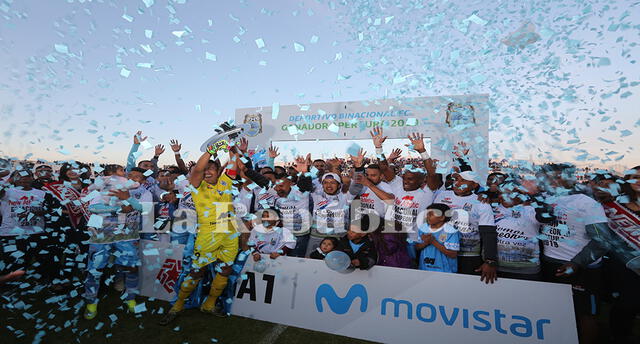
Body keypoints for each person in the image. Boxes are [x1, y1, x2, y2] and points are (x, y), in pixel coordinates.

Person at [160, 137, 241, 325]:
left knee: (225, 269)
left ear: (218, 171)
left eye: (211, 168)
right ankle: (178, 305)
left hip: (229, 232)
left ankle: (209, 304)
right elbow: (197, 169)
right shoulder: (196, 186)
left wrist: (230, 144)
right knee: (197, 272)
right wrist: (211, 151)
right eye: (205, 169)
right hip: (208, 233)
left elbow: (234, 161)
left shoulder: (226, 181)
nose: (206, 172)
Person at [539, 163, 611, 344]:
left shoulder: (586, 203)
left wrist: (576, 263)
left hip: (580, 268)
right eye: (547, 177)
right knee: (554, 313)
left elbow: (602, 241)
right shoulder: (546, 198)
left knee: (585, 314)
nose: (551, 181)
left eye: (557, 177)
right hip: (550, 264)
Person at [83, 166, 150, 319]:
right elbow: (93, 207)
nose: (131, 178)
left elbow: (142, 209)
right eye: (129, 174)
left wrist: (128, 198)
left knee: (131, 268)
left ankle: (130, 299)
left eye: (137, 177)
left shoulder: (141, 192)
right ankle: (91, 302)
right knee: (95, 269)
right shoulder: (103, 188)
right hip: (101, 236)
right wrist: (118, 208)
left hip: (127, 236)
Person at [433, 170, 498, 283]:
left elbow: (488, 233)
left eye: (463, 180)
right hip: (440, 251)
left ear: (474, 184)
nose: (457, 183)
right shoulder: (441, 195)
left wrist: (490, 261)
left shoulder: (481, 203)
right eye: (456, 179)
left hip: (468, 256)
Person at [493, 180, 554, 281]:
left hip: (527, 270)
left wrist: (534, 193)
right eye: (500, 193)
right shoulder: (492, 209)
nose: (502, 196)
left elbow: (547, 217)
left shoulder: (531, 210)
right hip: (495, 269)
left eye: (509, 193)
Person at [0, 169, 48, 282]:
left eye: (27, 176)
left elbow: (49, 210)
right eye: (20, 176)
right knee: (12, 261)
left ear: (32, 178)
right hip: (11, 233)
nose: (24, 178)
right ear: (13, 178)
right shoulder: (7, 192)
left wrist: (38, 211)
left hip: (35, 232)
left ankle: (32, 282)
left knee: (30, 260)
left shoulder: (41, 193)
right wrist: (8, 181)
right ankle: (12, 284)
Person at [275, 155, 314, 257]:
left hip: (300, 236)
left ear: (291, 184)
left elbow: (305, 185)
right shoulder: (276, 195)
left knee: (296, 261)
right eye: (276, 186)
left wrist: (304, 172)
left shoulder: (300, 192)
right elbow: (260, 179)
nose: (278, 189)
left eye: (281, 186)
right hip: (284, 236)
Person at [415, 203, 459, 273]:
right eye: (427, 214)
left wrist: (433, 242)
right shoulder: (423, 228)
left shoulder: (450, 231)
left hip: (444, 272)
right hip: (424, 270)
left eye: (431, 214)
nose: (427, 217)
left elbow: (453, 254)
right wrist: (425, 243)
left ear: (442, 217)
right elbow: (417, 247)